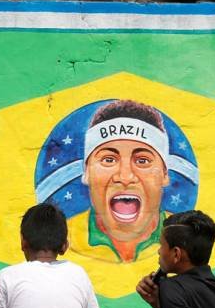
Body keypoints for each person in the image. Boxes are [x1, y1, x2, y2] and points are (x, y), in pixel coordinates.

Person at [68, 99, 172, 264]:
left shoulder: (184, 238)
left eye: (142, 161)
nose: (125, 177)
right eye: (109, 159)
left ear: (165, 174)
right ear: (86, 172)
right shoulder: (64, 238)